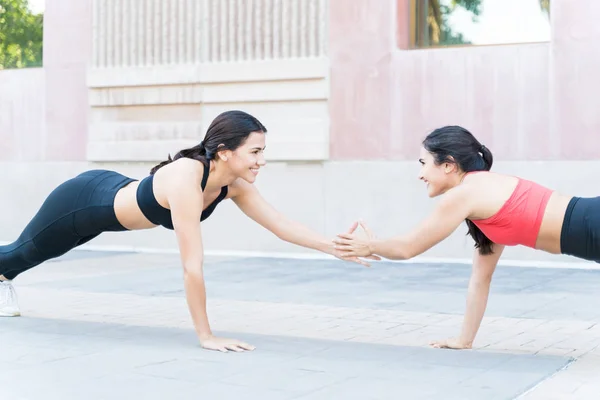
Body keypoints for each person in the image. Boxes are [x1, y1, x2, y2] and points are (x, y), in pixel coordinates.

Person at [0, 110, 375, 352]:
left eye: (263, 151)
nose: (262, 160)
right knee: (24, 252)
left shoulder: (235, 184)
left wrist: (335, 247)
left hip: (109, 198)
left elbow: (282, 226)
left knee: (34, 256)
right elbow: (192, 266)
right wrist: (206, 336)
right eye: (255, 151)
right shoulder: (186, 177)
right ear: (226, 151)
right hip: (82, 202)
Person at [333, 125, 599, 350]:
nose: (420, 174)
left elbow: (408, 247)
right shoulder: (483, 198)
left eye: (424, 163)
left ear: (448, 165)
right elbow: (480, 279)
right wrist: (464, 340)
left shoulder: (465, 194)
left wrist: (369, 246)